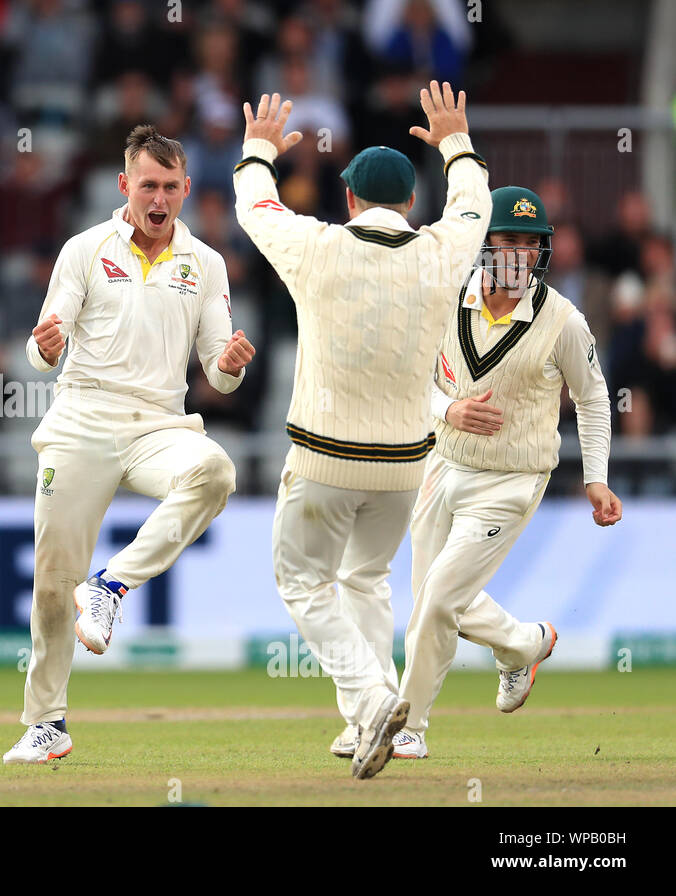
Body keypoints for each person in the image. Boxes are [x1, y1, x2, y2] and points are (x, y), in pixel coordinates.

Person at [234, 84, 491, 779]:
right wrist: (456, 143)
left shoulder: (317, 248)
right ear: (410, 202)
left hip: (324, 456)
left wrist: (259, 147)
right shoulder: (441, 252)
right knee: (366, 577)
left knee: (303, 582)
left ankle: (376, 697)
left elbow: (254, 208)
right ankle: (363, 723)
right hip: (407, 464)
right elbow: (475, 205)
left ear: (348, 199)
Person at [3, 125, 255, 764]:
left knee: (215, 473)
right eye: (149, 184)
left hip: (158, 425)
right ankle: (46, 724)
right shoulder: (86, 249)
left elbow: (218, 373)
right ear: (125, 186)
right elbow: (39, 348)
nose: (160, 197)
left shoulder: (205, 264)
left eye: (171, 186)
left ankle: (111, 587)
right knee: (53, 581)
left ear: (187, 189)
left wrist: (231, 363)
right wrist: (43, 348)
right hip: (82, 419)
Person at [393, 186, 623, 758]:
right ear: (482, 242)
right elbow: (405, 377)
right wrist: (448, 409)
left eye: (530, 243)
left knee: (439, 600)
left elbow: (593, 397)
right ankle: (525, 644)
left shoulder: (563, 320)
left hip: (513, 478)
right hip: (441, 465)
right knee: (431, 600)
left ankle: (408, 727)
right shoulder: (444, 296)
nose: (519, 254)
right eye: (507, 240)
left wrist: (595, 475)